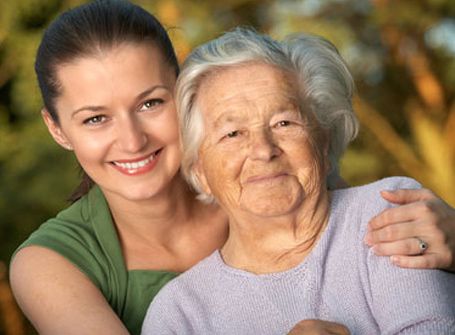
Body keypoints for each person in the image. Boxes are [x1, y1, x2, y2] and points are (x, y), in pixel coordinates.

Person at [7, 1, 455, 334]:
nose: (131, 139)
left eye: (150, 103)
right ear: (58, 128)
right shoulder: (52, 266)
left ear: (185, 99)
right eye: (95, 118)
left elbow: (348, 237)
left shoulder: (275, 186)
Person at [141, 28, 455, 334]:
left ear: (324, 139)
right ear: (199, 173)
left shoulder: (386, 211)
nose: (263, 150)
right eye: (232, 133)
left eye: (284, 122)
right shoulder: (179, 313)